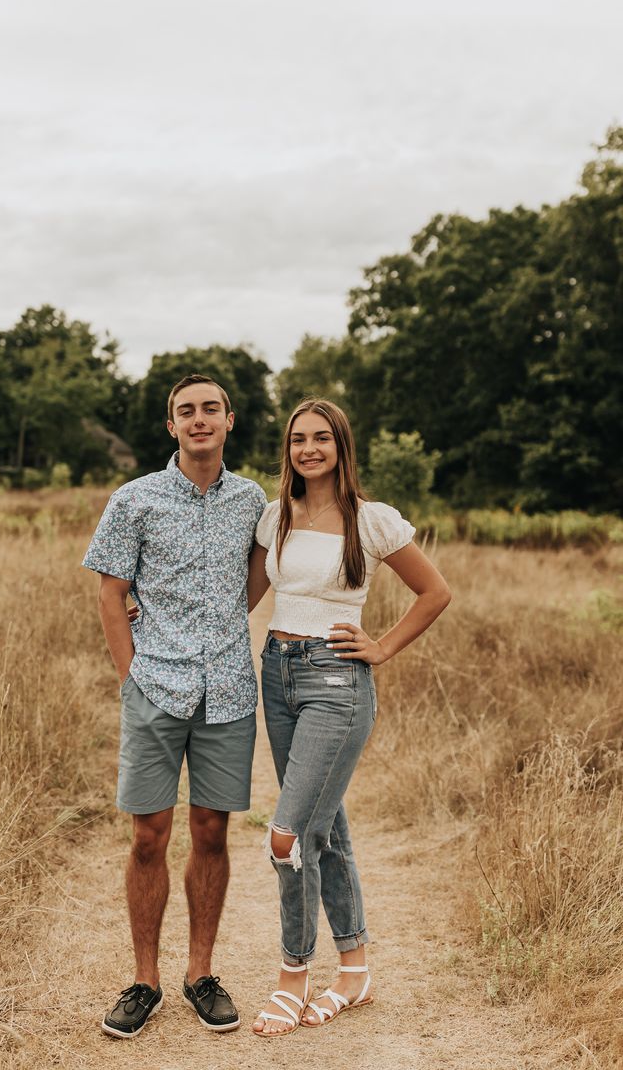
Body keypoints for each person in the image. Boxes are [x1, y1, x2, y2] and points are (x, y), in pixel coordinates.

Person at [247, 398, 451, 1037]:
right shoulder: (275, 516)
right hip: (277, 673)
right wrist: (154, 610)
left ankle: (292, 977)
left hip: (337, 681)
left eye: (321, 438)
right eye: (298, 439)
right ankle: (356, 972)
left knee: (287, 836)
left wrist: (382, 647)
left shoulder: (372, 520)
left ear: (340, 446)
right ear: (288, 449)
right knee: (322, 827)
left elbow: (435, 592)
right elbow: (240, 597)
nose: (308, 449)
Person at [82, 374, 266, 1038]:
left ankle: (199, 972)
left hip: (228, 691)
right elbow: (110, 594)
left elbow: (257, 576)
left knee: (212, 830)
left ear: (228, 419)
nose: (198, 419)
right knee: (147, 836)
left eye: (209, 408)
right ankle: (144, 980)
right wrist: (133, 674)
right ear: (171, 426)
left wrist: (220, 623)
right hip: (155, 688)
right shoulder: (133, 500)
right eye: (185, 410)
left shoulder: (251, 500)